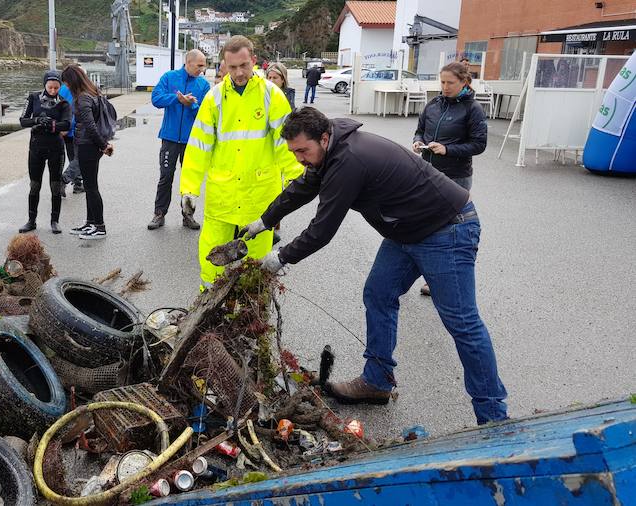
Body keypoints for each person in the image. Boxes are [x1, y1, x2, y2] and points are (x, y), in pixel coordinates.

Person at [241, 107, 507, 425]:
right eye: (294, 151)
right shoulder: (328, 150)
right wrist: (264, 221)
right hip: (407, 230)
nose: (299, 158)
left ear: (323, 139)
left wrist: (280, 258)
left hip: (447, 228)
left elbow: (322, 230)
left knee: (461, 322)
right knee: (378, 294)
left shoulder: (348, 160)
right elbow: (302, 188)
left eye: (303, 150)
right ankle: (377, 381)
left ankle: (493, 416)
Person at [181, 35, 303, 289]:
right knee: (211, 261)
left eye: (244, 66)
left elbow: (286, 144)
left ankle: (253, 316)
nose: (238, 72)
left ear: (254, 61)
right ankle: (208, 313)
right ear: (223, 64)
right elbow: (199, 146)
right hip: (222, 198)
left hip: (259, 200)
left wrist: (297, 178)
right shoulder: (214, 99)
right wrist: (189, 188)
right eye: (232, 67)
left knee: (256, 267)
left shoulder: (271, 96)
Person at [413, 61, 487, 296]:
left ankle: (440, 279)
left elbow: (479, 144)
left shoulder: (472, 109)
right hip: (427, 172)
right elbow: (420, 129)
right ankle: (428, 273)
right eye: (442, 82)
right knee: (426, 223)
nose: (444, 87)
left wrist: (448, 150)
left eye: (450, 83)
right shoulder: (433, 104)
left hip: (456, 177)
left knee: (450, 229)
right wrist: (417, 141)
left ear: (464, 82)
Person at [147, 49, 210, 231]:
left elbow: (205, 112)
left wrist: (192, 105)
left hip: (192, 140)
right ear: (188, 62)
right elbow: (156, 99)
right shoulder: (169, 77)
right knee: (166, 176)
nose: (202, 69)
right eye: (199, 65)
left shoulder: (203, 85)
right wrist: (177, 98)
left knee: (189, 179)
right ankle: (159, 213)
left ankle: (187, 215)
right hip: (170, 137)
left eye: (204, 65)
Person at [60, 65, 114, 240]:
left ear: (73, 81)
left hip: (87, 146)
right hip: (91, 146)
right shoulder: (93, 92)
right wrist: (102, 144)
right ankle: (91, 222)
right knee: (91, 187)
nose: (66, 87)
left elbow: (90, 126)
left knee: (91, 188)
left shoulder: (82, 98)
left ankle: (99, 227)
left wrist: (103, 145)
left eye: (67, 83)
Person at [18, 70, 72, 234]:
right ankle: (31, 220)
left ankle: (54, 221)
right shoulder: (33, 98)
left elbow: (67, 124)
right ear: (45, 85)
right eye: (50, 87)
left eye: (56, 88)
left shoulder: (63, 103)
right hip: (36, 147)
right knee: (34, 185)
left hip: (56, 148)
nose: (53, 91)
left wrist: (52, 125)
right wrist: (37, 120)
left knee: (55, 186)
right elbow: (22, 121)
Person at [59, 83, 84, 194]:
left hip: (63, 129)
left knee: (73, 158)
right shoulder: (78, 89)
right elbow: (73, 111)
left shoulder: (62, 89)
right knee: (80, 159)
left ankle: (78, 184)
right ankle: (65, 179)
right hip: (73, 130)